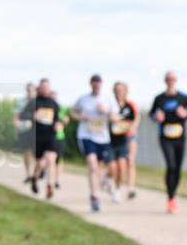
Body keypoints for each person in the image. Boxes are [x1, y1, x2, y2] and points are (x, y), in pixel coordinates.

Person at [72, 74, 119, 212]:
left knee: (101, 167)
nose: (96, 86)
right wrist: (80, 117)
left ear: (101, 84)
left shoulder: (108, 99)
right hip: (86, 135)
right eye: (94, 83)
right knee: (92, 165)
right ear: (91, 84)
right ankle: (95, 197)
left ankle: (103, 182)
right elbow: (73, 112)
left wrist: (106, 112)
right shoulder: (83, 99)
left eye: (98, 83)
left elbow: (116, 118)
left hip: (103, 138)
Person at [150, 72, 187, 214]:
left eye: (172, 79)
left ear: (176, 80)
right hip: (165, 137)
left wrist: (186, 114)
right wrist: (156, 116)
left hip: (180, 137)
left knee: (178, 169)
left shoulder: (183, 98)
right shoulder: (159, 98)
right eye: (168, 79)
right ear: (165, 81)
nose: (170, 81)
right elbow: (151, 114)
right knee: (171, 166)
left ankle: (173, 195)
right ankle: (170, 199)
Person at [29, 79, 62, 199]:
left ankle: (49, 186)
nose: (45, 89)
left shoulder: (53, 103)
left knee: (51, 159)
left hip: (51, 136)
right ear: (40, 88)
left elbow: (58, 119)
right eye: (43, 87)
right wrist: (33, 116)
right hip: (38, 136)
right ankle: (34, 177)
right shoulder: (34, 102)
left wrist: (58, 124)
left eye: (47, 87)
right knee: (40, 163)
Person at [108, 81, 138, 203]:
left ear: (126, 91)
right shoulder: (110, 105)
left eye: (121, 90)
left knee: (128, 161)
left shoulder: (130, 105)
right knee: (113, 167)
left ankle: (129, 188)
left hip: (127, 138)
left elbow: (135, 119)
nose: (119, 93)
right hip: (111, 139)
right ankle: (108, 177)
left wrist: (131, 127)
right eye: (117, 90)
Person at [16, 83, 37, 184]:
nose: (30, 92)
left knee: (35, 152)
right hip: (24, 130)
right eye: (28, 90)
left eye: (32, 90)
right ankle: (28, 174)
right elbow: (16, 116)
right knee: (26, 152)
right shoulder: (21, 102)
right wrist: (18, 126)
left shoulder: (38, 102)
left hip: (36, 131)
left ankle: (34, 173)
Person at [51, 91, 70, 190]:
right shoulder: (46, 109)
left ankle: (57, 181)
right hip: (49, 138)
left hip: (60, 137)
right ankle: (48, 177)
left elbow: (66, 119)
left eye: (55, 97)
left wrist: (63, 122)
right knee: (50, 159)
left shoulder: (61, 109)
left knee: (59, 160)